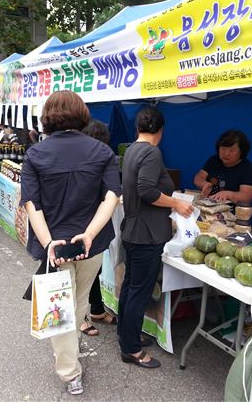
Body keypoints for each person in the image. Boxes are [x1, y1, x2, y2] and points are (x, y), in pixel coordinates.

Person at [20, 91, 121, 395]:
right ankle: (70, 354)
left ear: (47, 116)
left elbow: (31, 205)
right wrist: (90, 233)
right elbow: (111, 197)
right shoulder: (102, 152)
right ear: (81, 114)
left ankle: (69, 371)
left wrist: (49, 242)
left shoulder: (36, 154)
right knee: (77, 301)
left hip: (56, 247)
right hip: (91, 244)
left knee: (58, 305)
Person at [118, 107, 193, 369]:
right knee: (138, 291)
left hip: (134, 229)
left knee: (130, 287)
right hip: (146, 234)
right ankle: (131, 350)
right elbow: (146, 190)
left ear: (139, 128)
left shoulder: (131, 150)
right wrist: (176, 203)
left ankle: (126, 334)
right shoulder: (151, 152)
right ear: (160, 130)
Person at [78, 120, 117, 336]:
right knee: (84, 273)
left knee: (95, 270)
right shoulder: (83, 161)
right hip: (83, 225)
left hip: (97, 225)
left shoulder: (102, 160)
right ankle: (82, 317)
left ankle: (97, 310)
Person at [193, 129, 252, 205]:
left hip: (233, 212)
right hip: (209, 208)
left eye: (232, 150)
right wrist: (204, 184)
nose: (226, 154)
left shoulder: (248, 168)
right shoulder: (214, 160)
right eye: (223, 149)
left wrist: (228, 194)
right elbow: (199, 177)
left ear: (241, 151)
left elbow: (246, 196)